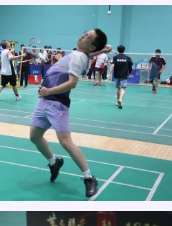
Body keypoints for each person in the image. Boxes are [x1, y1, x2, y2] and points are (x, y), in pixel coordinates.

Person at [30, 29, 111, 199]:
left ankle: (89, 178)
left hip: (56, 102)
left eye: (87, 36)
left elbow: (73, 83)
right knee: (35, 137)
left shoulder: (79, 56)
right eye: (85, 33)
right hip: (44, 100)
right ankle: (54, 163)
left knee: (66, 142)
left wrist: (49, 91)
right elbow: (86, 55)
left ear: (92, 45)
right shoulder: (81, 54)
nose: (82, 36)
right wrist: (101, 51)